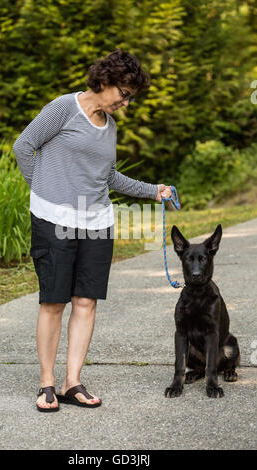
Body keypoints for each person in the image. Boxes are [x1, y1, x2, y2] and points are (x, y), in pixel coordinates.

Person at [13, 48, 172, 412]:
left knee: (86, 301)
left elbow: (109, 176)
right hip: (54, 220)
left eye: (131, 97)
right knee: (54, 301)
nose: (126, 103)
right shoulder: (63, 108)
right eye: (124, 93)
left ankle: (72, 381)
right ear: (104, 81)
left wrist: (154, 190)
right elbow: (24, 146)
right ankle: (46, 383)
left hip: (97, 222)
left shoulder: (109, 127)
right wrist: (41, 190)